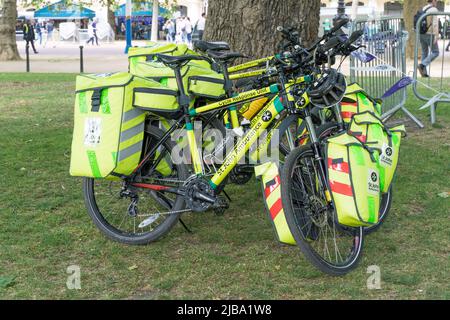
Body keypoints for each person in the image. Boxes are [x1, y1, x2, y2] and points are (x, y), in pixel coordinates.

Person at [418, 0, 440, 78]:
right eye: (436, 0)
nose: (437, 2)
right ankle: (422, 65)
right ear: (433, 1)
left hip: (421, 33)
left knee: (424, 52)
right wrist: (436, 36)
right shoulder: (434, 9)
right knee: (436, 52)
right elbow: (435, 24)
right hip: (430, 34)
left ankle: (424, 73)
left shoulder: (424, 8)